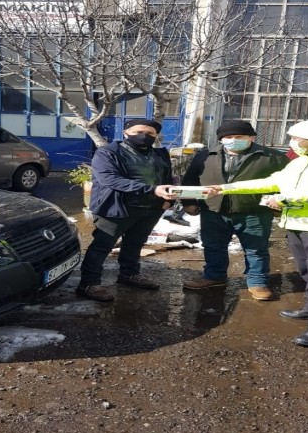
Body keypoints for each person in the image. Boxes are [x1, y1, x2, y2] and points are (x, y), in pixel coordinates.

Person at [206, 118, 308, 347]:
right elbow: (273, 181)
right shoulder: (303, 160)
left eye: (296, 138)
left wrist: (286, 199)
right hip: (298, 225)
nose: (292, 142)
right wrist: (226, 188)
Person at [180, 120, 289, 301]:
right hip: (214, 210)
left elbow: (288, 183)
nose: (233, 140)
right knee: (214, 246)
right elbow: (191, 178)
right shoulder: (206, 155)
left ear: (251, 137)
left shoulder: (272, 157)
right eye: (228, 137)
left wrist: (280, 202)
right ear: (221, 139)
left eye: (239, 137)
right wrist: (188, 201)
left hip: (254, 211)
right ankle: (214, 276)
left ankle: (257, 282)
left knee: (256, 249)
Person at [75, 119, 175, 302]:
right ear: (126, 133)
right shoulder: (108, 153)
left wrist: (169, 199)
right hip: (116, 208)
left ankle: (128, 274)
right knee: (102, 246)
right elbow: (110, 180)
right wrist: (152, 189)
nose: (144, 136)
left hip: (150, 208)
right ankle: (89, 284)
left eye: (151, 134)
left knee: (135, 243)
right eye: (139, 132)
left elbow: (168, 177)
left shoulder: (159, 153)